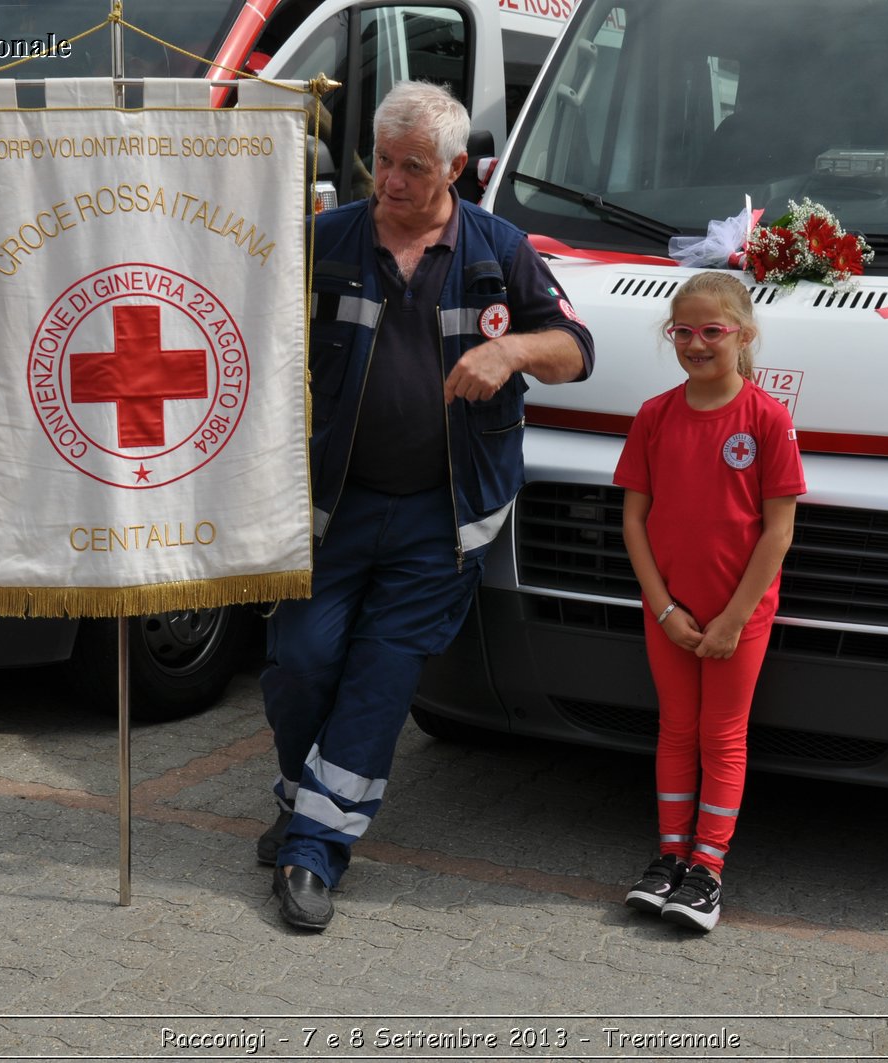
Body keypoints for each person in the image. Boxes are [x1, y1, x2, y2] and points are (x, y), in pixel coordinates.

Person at [258, 80, 595, 931]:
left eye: (416, 167)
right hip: (331, 505)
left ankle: (312, 852)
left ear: (456, 168)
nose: (394, 181)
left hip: (440, 520)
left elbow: (575, 350)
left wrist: (512, 349)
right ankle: (309, 804)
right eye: (383, 160)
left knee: (378, 674)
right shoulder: (323, 241)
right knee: (299, 660)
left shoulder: (499, 248)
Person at [612, 271, 803, 932]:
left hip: (737, 620)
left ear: (743, 334)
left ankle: (707, 868)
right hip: (669, 613)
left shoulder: (766, 419)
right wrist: (664, 607)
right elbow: (634, 520)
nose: (696, 343)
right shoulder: (654, 416)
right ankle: (667, 856)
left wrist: (733, 618)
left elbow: (778, 530)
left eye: (712, 331)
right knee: (676, 730)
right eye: (683, 331)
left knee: (722, 737)